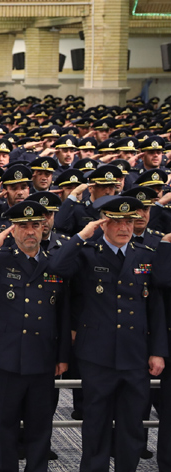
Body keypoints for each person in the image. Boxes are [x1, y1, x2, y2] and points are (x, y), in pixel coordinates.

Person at [49, 196, 169, 472]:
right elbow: (56, 267)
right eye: (116, 222)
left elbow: (155, 308)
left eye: (129, 221)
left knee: (132, 425)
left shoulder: (144, 255)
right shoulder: (87, 253)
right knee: (96, 423)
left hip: (135, 353)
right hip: (97, 355)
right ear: (104, 223)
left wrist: (158, 351)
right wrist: (81, 235)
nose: (125, 228)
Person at [0, 201, 71, 471]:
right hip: (4, 358)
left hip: (42, 358)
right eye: (23, 226)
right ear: (13, 229)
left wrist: (63, 356)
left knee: (40, 427)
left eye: (36, 225)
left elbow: (64, 314)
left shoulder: (54, 263)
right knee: (5, 427)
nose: (30, 231)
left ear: (44, 227)